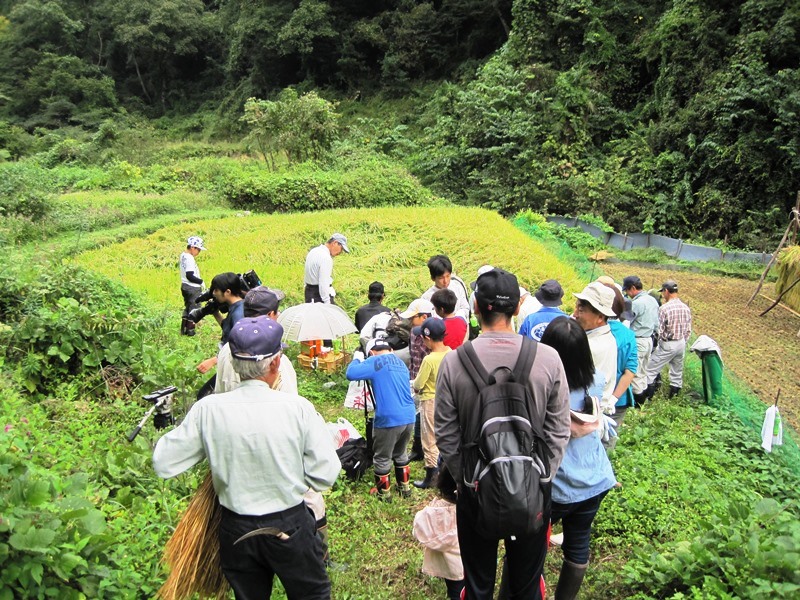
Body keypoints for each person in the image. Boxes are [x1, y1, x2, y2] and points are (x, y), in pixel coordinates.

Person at [152, 317, 341, 599]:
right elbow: (326, 473)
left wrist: (165, 418)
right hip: (289, 525)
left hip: (235, 529)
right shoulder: (297, 408)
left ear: (233, 362)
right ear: (276, 363)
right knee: (311, 594)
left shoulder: (209, 409)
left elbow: (164, 462)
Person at [435, 268, 570, 599]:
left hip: (475, 491)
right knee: (526, 584)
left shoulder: (454, 363)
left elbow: (445, 432)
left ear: (477, 307)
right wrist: (540, 476)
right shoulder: (548, 359)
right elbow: (558, 428)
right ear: (518, 307)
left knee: (478, 583)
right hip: (534, 493)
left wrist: (468, 478)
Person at [539, 318, 617, 600]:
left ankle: (526, 591)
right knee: (578, 543)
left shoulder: (544, 386)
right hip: (595, 479)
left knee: (531, 546)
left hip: (557, 485)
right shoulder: (594, 382)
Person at [346, 338, 416, 502]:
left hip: (389, 418)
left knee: (382, 457)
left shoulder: (374, 360)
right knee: (400, 452)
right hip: (409, 415)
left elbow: (351, 373)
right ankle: (404, 488)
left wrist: (357, 358)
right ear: (390, 349)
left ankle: (384, 495)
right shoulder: (400, 363)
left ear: (371, 352)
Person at [215, 286, 295, 394]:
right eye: (277, 312)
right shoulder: (276, 357)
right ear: (270, 314)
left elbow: (219, 390)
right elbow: (290, 398)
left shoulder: (226, 349)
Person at [412, 465, 465, 600]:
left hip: (447, 567)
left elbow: (418, 527)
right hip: (468, 565)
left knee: (454, 591)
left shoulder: (433, 512)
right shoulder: (469, 512)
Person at [411, 317, 451, 489]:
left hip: (430, 401)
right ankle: (445, 470)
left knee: (429, 439)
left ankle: (431, 476)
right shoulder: (452, 352)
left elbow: (419, 384)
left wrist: (416, 388)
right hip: (448, 400)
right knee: (445, 435)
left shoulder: (429, 359)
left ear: (427, 338)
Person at [572, 282, 619, 415]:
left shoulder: (591, 346)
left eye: (581, 310)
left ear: (600, 317)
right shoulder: (606, 337)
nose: (574, 314)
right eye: (576, 308)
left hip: (586, 414)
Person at [597, 278, 638, 424]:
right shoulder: (628, 335)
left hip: (591, 398)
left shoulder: (592, 329)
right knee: (608, 441)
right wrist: (613, 399)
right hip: (618, 400)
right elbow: (630, 371)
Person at [645, 280, 692, 398]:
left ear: (666, 291)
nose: (662, 295)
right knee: (676, 373)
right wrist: (683, 341)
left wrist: (660, 343)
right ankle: (673, 397)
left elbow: (659, 330)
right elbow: (688, 329)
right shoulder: (685, 307)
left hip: (668, 343)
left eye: (663, 292)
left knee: (650, 371)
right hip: (681, 343)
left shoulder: (664, 309)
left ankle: (646, 400)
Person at [402, 298, 436, 462]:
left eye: (412, 317)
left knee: (428, 416)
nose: (409, 321)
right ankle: (417, 448)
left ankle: (428, 451)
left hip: (428, 382)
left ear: (424, 317)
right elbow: (412, 357)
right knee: (416, 414)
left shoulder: (432, 335)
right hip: (414, 378)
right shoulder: (413, 333)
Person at [196, 272, 248, 379]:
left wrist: (214, 360)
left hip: (235, 366)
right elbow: (229, 329)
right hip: (229, 361)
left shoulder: (239, 313)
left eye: (216, 290)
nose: (214, 293)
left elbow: (241, 345)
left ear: (228, 292)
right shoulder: (236, 306)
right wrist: (215, 313)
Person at [622, 275, 660, 406]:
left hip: (638, 340)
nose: (627, 294)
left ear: (633, 288)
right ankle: (643, 403)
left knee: (635, 373)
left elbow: (626, 321)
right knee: (643, 372)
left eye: (627, 290)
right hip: (649, 340)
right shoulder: (652, 300)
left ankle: (638, 405)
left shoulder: (637, 303)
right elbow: (657, 324)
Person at [422, 254, 471, 322]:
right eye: (441, 278)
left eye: (448, 276)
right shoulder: (426, 298)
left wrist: (455, 319)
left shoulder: (457, 286)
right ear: (433, 278)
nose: (445, 281)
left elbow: (465, 308)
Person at [304, 233, 349, 304]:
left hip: (308, 293)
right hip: (318, 296)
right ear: (335, 243)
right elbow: (323, 283)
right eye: (341, 249)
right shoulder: (326, 258)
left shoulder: (313, 251)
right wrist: (327, 303)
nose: (340, 252)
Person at [179, 236, 206, 336]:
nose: (199, 252)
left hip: (184, 285)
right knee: (194, 309)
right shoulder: (189, 258)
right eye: (198, 250)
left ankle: (183, 330)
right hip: (192, 287)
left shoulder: (183, 255)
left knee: (188, 307)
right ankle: (190, 331)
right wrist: (201, 281)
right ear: (193, 247)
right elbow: (190, 275)